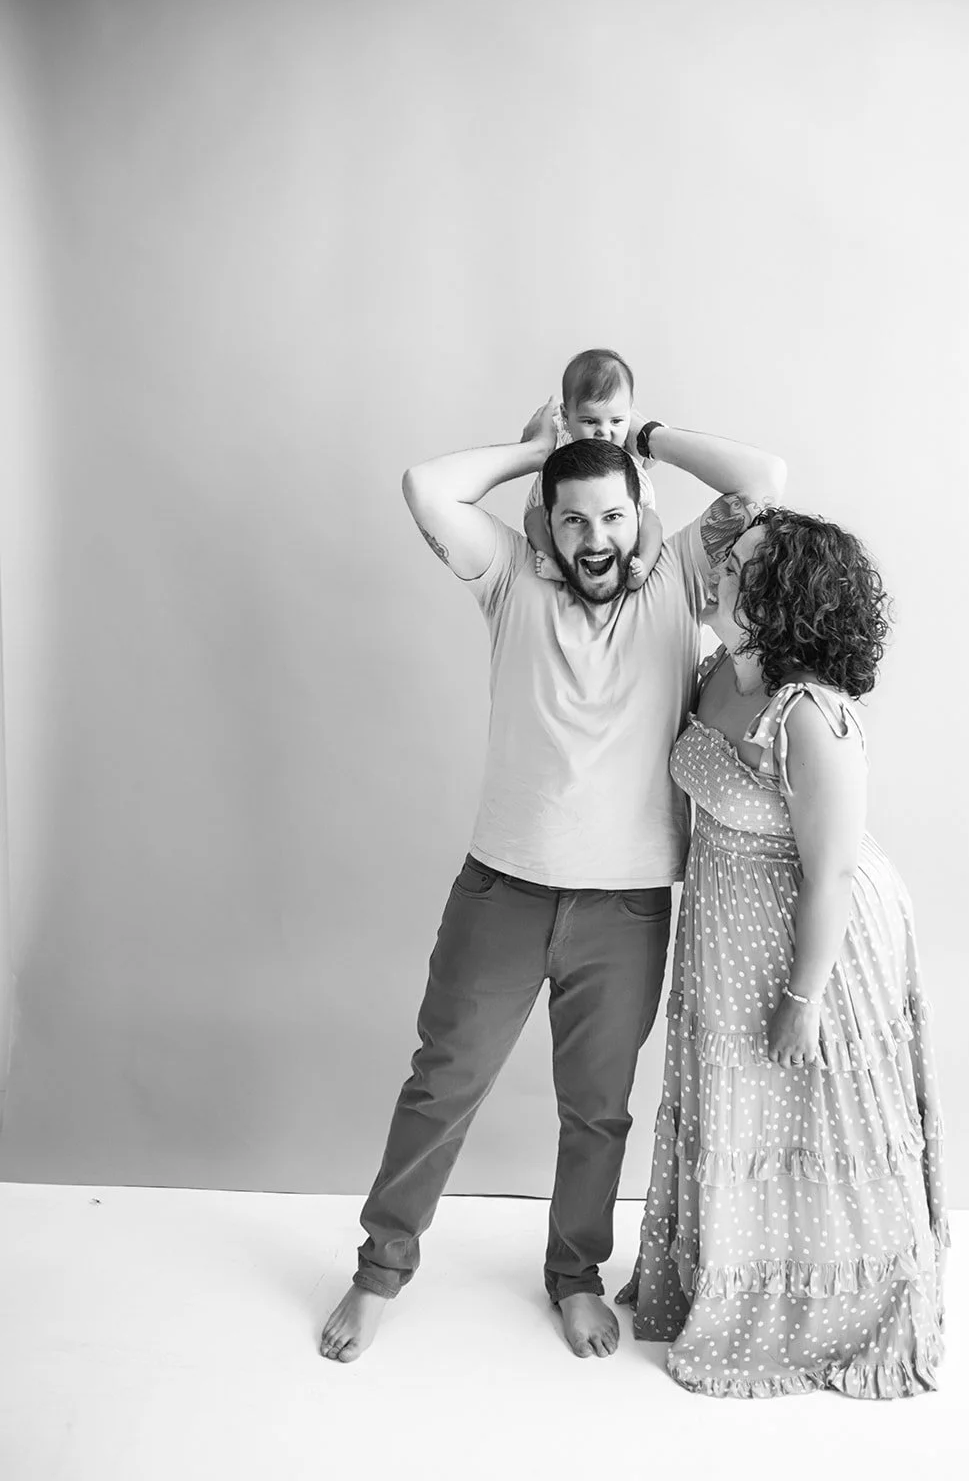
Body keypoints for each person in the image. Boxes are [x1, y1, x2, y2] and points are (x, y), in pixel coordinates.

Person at [319, 390, 786, 1365]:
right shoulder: (510, 582)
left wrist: (640, 437)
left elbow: (762, 480)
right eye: (572, 517)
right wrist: (539, 449)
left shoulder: (678, 582)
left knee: (597, 1109)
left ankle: (574, 1275)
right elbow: (424, 486)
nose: (594, 535)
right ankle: (379, 1270)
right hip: (504, 891)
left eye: (614, 515)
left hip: (626, 905)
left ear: (643, 518)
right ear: (543, 523)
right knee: (442, 1084)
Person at [618, 508, 948, 1398]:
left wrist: (803, 1002)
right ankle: (720, 1277)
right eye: (729, 559)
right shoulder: (713, 670)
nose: (722, 569)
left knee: (816, 1120)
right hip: (727, 930)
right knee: (744, 1109)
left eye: (746, 565)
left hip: (817, 939)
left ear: (785, 594)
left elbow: (833, 872)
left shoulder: (810, 714)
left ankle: (832, 1313)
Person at [524, 348, 663, 589]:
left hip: (628, 497)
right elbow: (530, 444)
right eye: (590, 421)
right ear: (567, 416)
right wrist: (538, 436)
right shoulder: (560, 431)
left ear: (629, 412)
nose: (604, 431)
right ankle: (559, 565)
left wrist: (642, 428)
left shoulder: (629, 436)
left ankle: (642, 566)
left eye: (616, 421)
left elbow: (655, 452)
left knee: (651, 520)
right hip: (560, 497)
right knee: (534, 519)